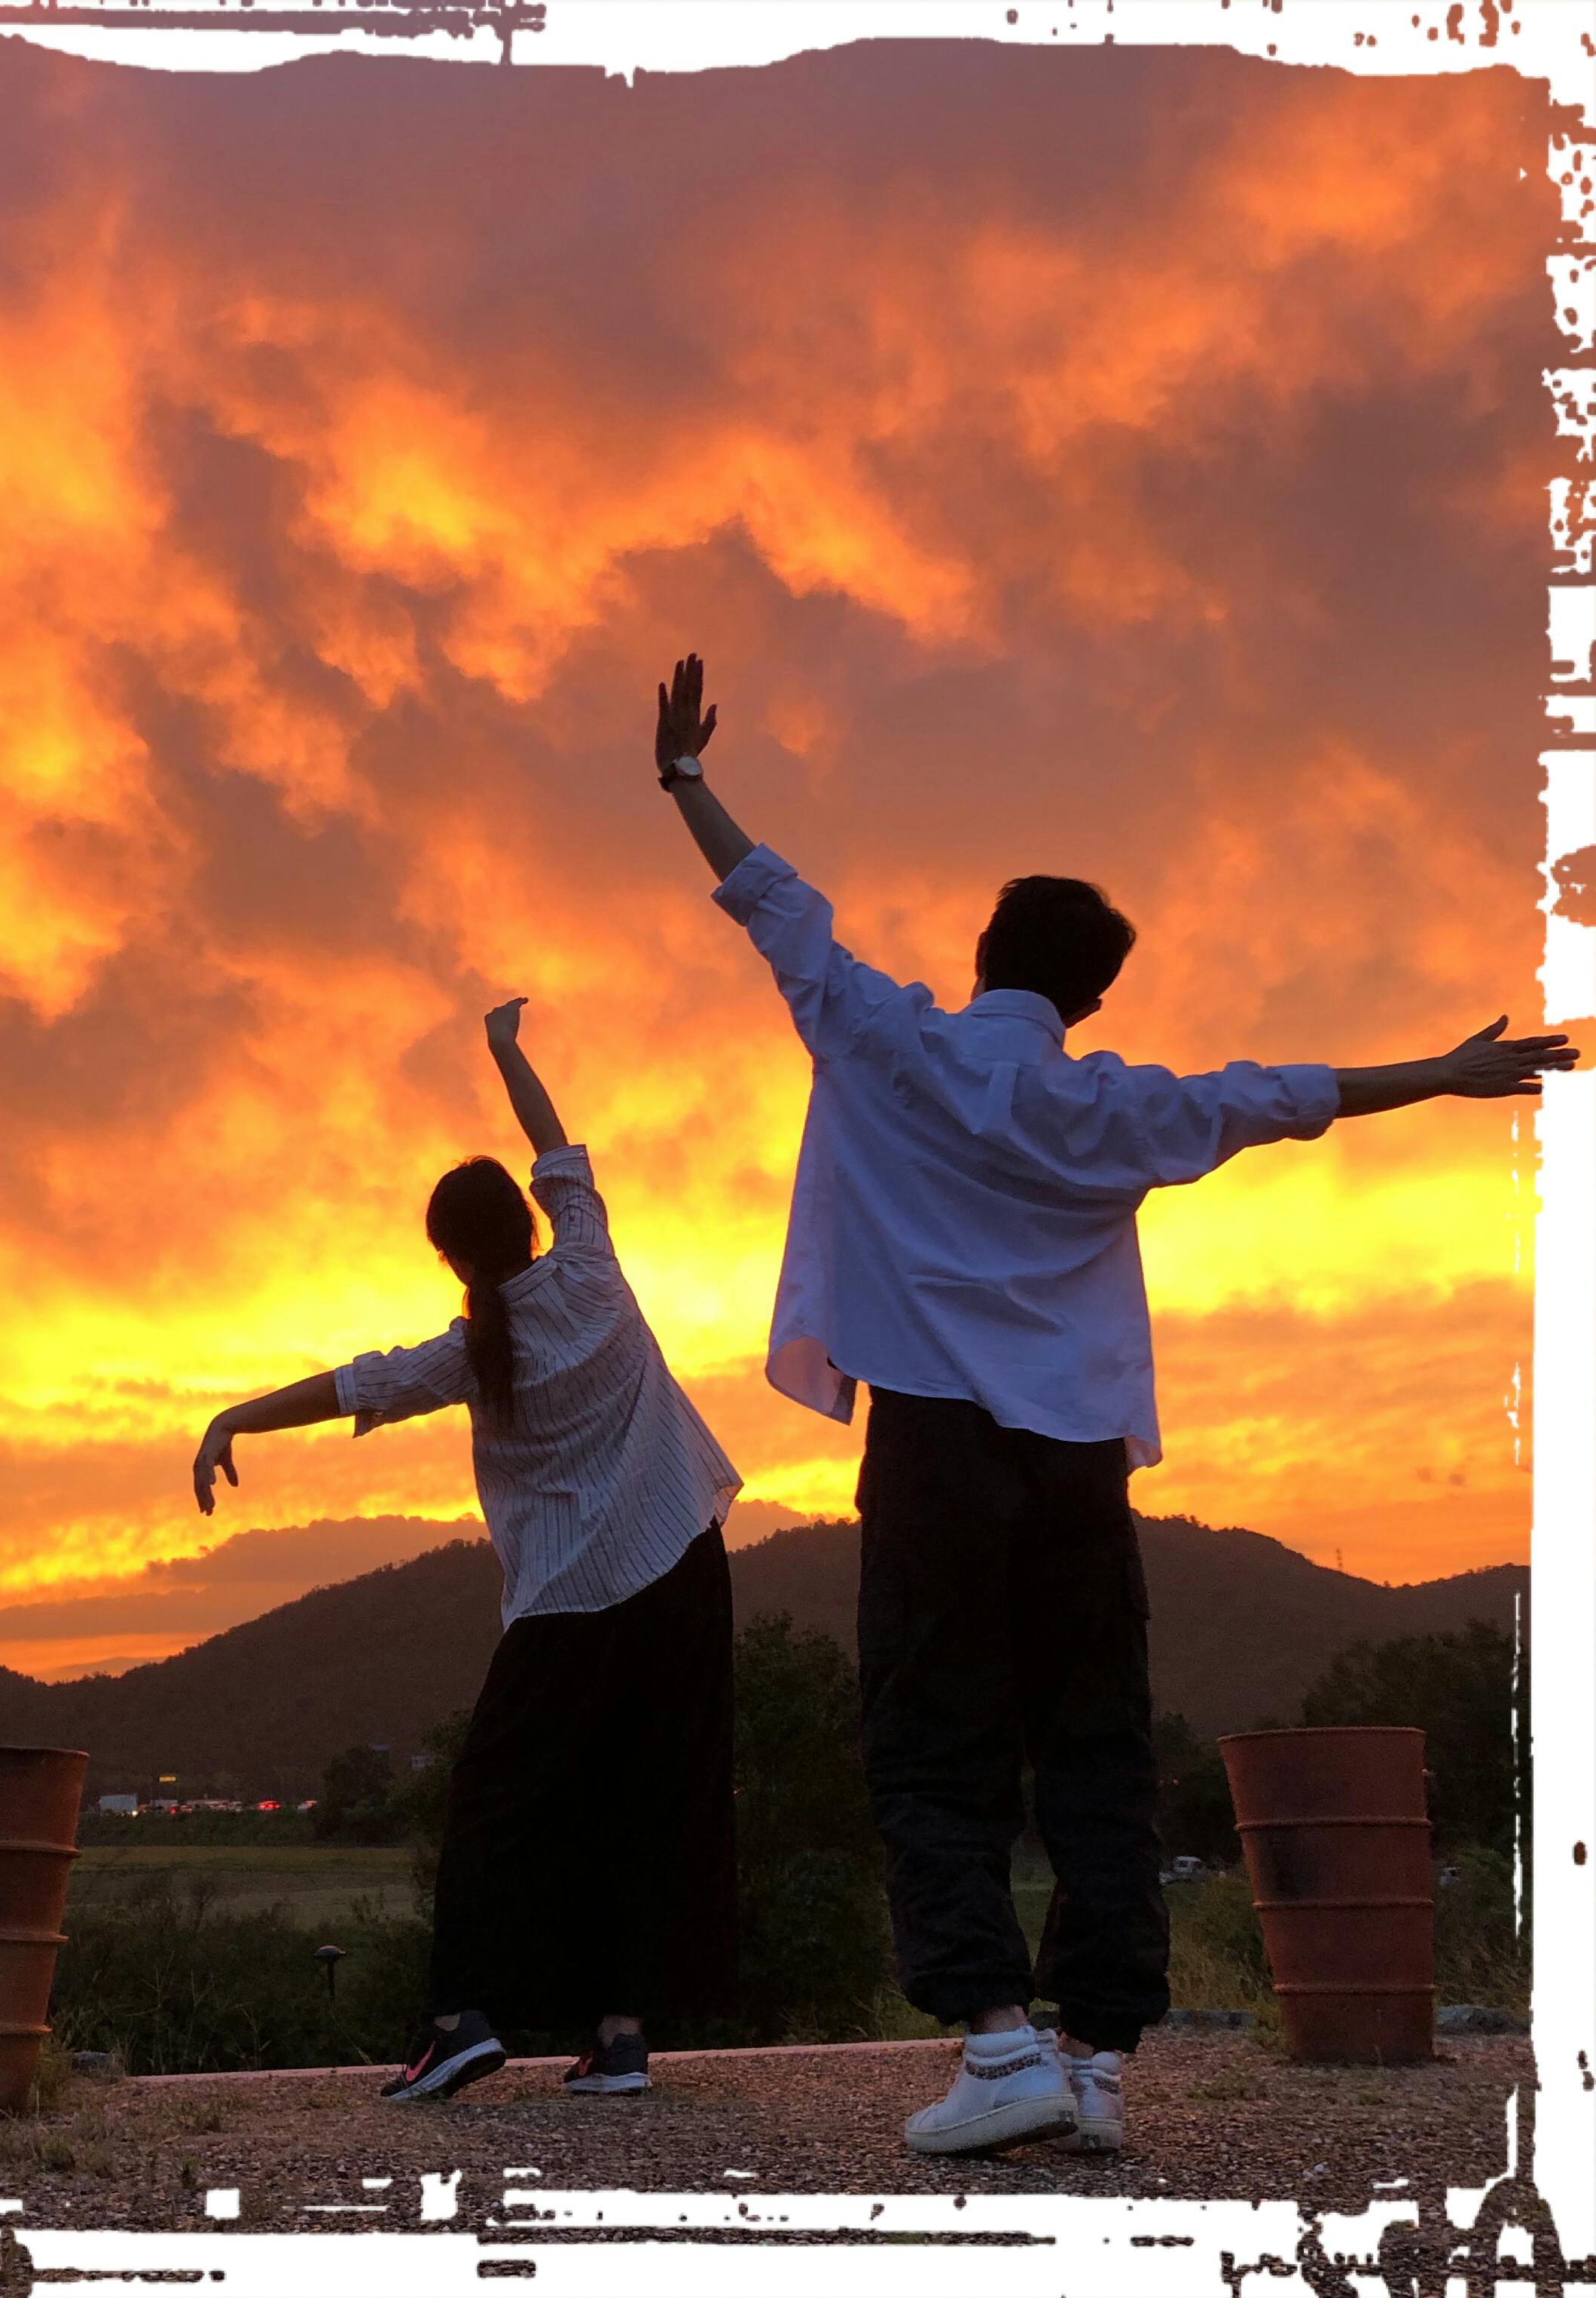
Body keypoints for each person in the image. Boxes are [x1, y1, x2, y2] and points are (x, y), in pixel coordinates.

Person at [648, 651, 1578, 2158]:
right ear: (1089, 996)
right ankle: (1092, 2064)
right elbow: (1282, 1092)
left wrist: (686, 776)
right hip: (1077, 1463)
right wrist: (1445, 1070)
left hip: (939, 1446)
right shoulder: (1116, 1103)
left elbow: (777, 905)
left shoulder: (888, 1040)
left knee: (931, 1740)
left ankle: (996, 2042)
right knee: (1093, 1744)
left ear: (983, 955)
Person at [191, 996, 743, 2103]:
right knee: (651, 1798)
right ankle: (620, 2036)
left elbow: (356, 1382)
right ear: (530, 1226)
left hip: (570, 1604)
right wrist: (505, 1049)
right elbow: (558, 1149)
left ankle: (459, 2020)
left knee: (493, 1803)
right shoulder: (590, 1269)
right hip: (686, 1569)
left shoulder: (470, 1350)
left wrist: (232, 1418)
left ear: (450, 1257)